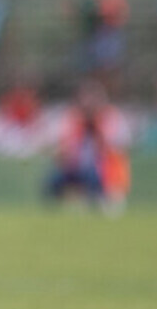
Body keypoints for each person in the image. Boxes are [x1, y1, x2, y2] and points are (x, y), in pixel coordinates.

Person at [43, 78, 132, 214]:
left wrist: (97, 129)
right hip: (77, 169)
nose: (88, 103)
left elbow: (115, 149)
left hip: (103, 172)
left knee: (93, 177)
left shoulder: (111, 117)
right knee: (53, 179)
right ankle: (70, 203)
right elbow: (62, 150)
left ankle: (100, 200)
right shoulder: (74, 118)